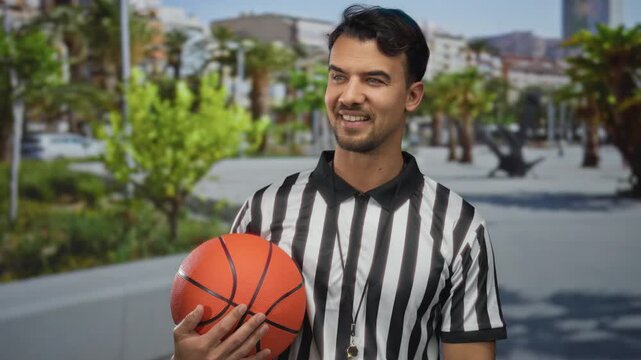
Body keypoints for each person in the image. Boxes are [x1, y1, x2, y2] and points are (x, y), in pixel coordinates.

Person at [172, 5, 507, 360]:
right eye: (338, 76)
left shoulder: (461, 229)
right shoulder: (265, 210)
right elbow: (218, 340)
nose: (348, 96)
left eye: (373, 80)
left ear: (413, 96)